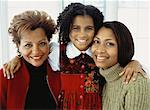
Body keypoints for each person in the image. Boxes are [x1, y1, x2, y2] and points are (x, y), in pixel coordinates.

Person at [2, 3, 144, 110]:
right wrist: (17, 58)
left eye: (89, 28)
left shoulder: (98, 55)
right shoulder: (57, 52)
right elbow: (33, 52)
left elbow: (117, 62)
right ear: (67, 29)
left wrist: (134, 62)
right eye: (76, 28)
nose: (82, 35)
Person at [0, 10, 61, 109]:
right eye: (28, 45)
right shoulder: (6, 76)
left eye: (42, 43)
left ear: (48, 43)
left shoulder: (61, 70)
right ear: (18, 46)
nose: (36, 52)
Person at [91, 21, 150, 110]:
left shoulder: (135, 82)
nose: (100, 50)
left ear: (123, 47)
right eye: (96, 41)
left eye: (109, 44)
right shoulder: (102, 78)